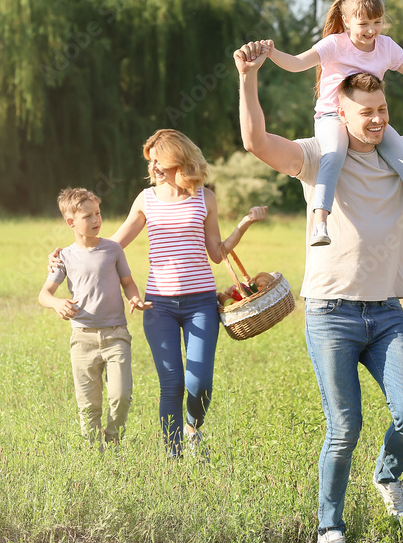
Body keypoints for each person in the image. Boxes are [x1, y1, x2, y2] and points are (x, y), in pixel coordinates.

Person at [233, 37, 403, 543]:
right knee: (345, 424)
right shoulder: (315, 157)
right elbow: (257, 142)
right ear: (340, 113)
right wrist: (248, 78)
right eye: (365, 113)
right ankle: (330, 531)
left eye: (382, 111)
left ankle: (387, 476)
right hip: (331, 314)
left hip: (386, 314)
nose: (376, 121)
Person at [49, 130, 268, 458]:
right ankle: (174, 456)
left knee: (199, 383)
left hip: (201, 304)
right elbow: (112, 244)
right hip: (159, 305)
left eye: (159, 162)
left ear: (178, 160)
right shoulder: (147, 199)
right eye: (151, 162)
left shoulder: (205, 197)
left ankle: (193, 429)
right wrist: (67, 254)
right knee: (172, 384)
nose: (154, 168)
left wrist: (245, 223)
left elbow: (217, 253)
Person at [265, 0, 403, 247]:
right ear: (347, 21)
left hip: (370, 120)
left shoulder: (386, 47)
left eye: (377, 22)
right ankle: (320, 224)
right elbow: (297, 64)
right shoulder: (334, 45)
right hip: (332, 117)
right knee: (333, 155)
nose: (371, 30)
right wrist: (271, 52)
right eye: (363, 23)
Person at [38, 187, 152, 450]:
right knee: (88, 404)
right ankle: (93, 453)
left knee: (121, 396)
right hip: (83, 338)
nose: (96, 220)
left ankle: (113, 441)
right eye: (88, 216)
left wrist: (134, 298)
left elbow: (128, 282)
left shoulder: (113, 250)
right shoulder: (64, 257)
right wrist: (57, 303)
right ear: (71, 222)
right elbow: (45, 294)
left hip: (116, 335)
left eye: (98, 213)